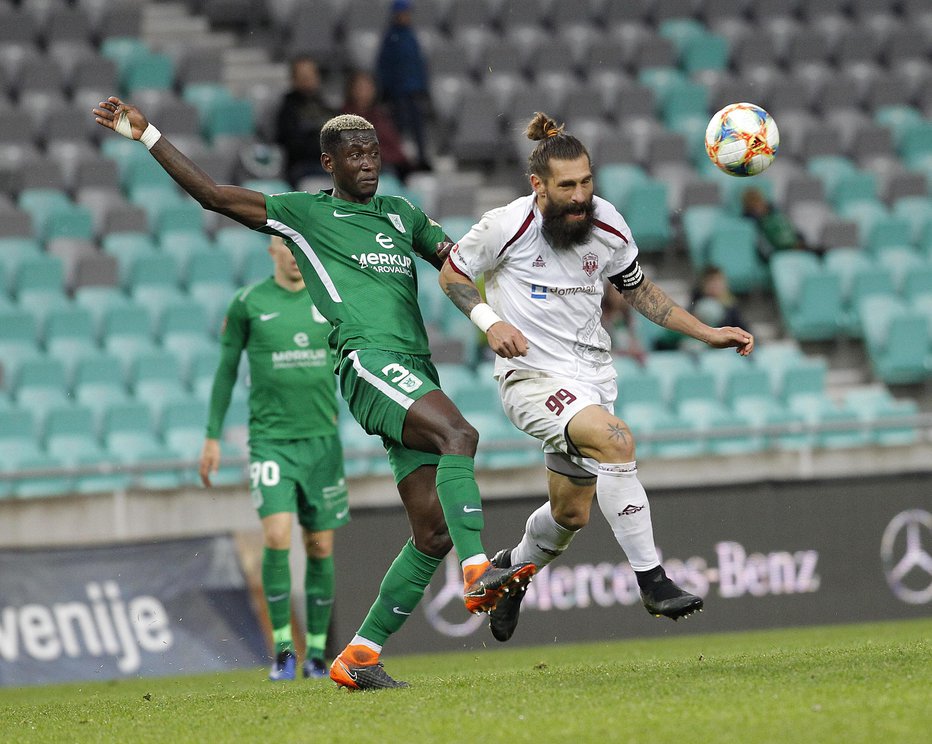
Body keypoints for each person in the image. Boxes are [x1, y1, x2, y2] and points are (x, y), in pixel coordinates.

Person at [92, 97, 535, 690]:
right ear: (329, 163)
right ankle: (478, 569)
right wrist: (149, 136)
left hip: (415, 370)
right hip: (366, 360)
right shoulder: (304, 214)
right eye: (353, 155)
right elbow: (215, 196)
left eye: (373, 151)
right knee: (461, 434)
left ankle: (359, 655)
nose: (367, 162)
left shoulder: (402, 213)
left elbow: (458, 261)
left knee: (429, 532)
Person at [439, 112, 754, 643]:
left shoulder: (606, 223)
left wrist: (705, 332)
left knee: (570, 515)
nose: (581, 195)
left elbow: (639, 291)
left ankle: (512, 572)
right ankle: (652, 580)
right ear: (538, 185)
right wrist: (490, 323)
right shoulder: (505, 226)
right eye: (568, 186)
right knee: (615, 439)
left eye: (587, 182)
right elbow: (452, 273)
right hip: (530, 377)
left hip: (593, 378)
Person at [198, 236, 349, 682]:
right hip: (271, 442)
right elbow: (227, 369)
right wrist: (211, 437)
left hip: (322, 442)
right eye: (286, 247)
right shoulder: (248, 303)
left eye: (302, 249)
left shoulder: (331, 300)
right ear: (272, 251)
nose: (295, 256)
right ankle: (283, 649)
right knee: (278, 535)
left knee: (320, 545)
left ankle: (318, 654)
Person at [376, 0, 431, 170]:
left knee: (417, 127)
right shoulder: (392, 38)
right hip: (398, 92)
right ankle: (398, 160)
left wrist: (423, 86)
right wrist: (386, 89)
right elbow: (385, 65)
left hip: (413, 90)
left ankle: (421, 158)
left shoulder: (410, 36)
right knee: (398, 127)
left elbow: (418, 63)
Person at [275, 56, 336, 188]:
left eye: (311, 74)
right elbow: (292, 144)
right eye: (303, 76)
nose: (308, 79)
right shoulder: (287, 110)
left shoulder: (326, 107)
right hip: (303, 167)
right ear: (294, 79)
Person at [342, 69, 412, 181]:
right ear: (351, 90)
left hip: (388, 165)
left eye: (368, 87)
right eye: (360, 88)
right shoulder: (343, 118)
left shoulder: (381, 116)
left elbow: (393, 144)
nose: (365, 92)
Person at [741, 187, 812, 261]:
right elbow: (764, 248)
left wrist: (800, 242)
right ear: (748, 208)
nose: (757, 206)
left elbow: (793, 229)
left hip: (796, 247)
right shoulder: (752, 225)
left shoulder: (777, 215)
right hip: (779, 254)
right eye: (753, 204)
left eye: (758, 201)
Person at [689, 265, 750, 333]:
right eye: (711, 281)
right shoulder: (697, 301)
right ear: (703, 284)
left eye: (718, 281)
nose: (715, 285)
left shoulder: (731, 306)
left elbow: (742, 327)